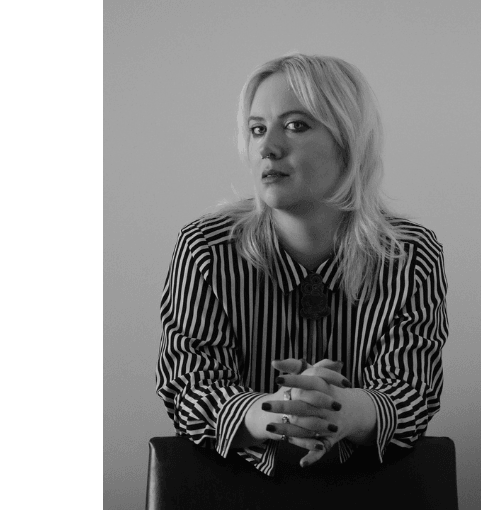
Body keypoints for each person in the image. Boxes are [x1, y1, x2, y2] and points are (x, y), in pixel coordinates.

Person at [156, 53, 449, 476]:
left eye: (296, 125)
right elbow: (189, 385)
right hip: (232, 492)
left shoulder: (410, 254)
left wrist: (339, 411)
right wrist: (276, 415)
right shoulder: (205, 248)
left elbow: (411, 392)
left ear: (348, 141)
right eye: (257, 129)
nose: (267, 146)